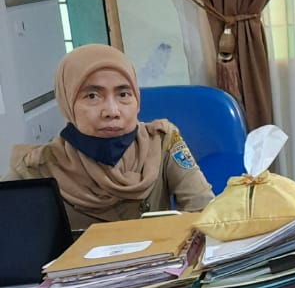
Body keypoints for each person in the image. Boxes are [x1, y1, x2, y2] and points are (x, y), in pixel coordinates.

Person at [5, 43, 214, 230]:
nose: (112, 111)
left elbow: (205, 211)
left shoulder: (161, 142)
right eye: (92, 96)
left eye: (123, 94)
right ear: (67, 102)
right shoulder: (37, 168)